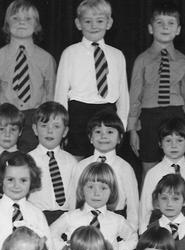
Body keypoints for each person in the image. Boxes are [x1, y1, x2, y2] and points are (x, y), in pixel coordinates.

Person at [128, 0, 185, 177]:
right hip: (149, 117)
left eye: (171, 23)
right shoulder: (141, 60)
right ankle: (148, 205)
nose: (165, 27)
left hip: (175, 115)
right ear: (151, 28)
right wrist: (133, 129)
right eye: (160, 23)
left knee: (175, 167)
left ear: (178, 29)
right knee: (148, 168)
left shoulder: (184, 61)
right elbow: (134, 97)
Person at [55, 0, 129, 159]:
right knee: (77, 158)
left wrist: (122, 124)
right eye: (87, 21)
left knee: (105, 160)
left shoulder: (117, 55)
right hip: (78, 113)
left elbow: (123, 92)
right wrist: (61, 125)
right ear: (78, 23)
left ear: (109, 23)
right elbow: (60, 92)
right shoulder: (70, 53)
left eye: (100, 21)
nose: (93, 25)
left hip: (108, 111)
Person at [0, 0, 56, 153]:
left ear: (36, 25)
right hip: (5, 119)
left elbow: (51, 95)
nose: (21, 22)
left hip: (35, 119)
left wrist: (49, 126)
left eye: (28, 19)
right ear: (7, 24)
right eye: (15, 18)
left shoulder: (46, 58)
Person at [68, 110, 139, 231]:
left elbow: (133, 206)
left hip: (116, 222)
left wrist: (130, 232)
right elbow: (73, 200)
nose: (103, 136)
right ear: (90, 137)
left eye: (110, 132)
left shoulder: (125, 167)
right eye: (98, 132)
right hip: (86, 222)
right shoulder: (81, 166)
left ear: (120, 138)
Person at [51, 162, 136, 250]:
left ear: (112, 191)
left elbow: (133, 239)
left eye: (103, 188)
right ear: (82, 189)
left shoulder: (117, 220)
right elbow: (49, 236)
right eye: (90, 187)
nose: (96, 193)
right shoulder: (70, 217)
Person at [138, 118, 185, 233]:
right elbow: (145, 209)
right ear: (160, 143)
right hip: (159, 229)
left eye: (179, 140)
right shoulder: (153, 173)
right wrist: (143, 235)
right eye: (168, 141)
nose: (173, 146)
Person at [28, 102, 76, 224]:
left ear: (65, 132)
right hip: (36, 217)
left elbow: (75, 195)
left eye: (56, 126)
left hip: (66, 217)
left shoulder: (72, 162)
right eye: (44, 126)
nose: (50, 131)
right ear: (35, 129)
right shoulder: (27, 161)